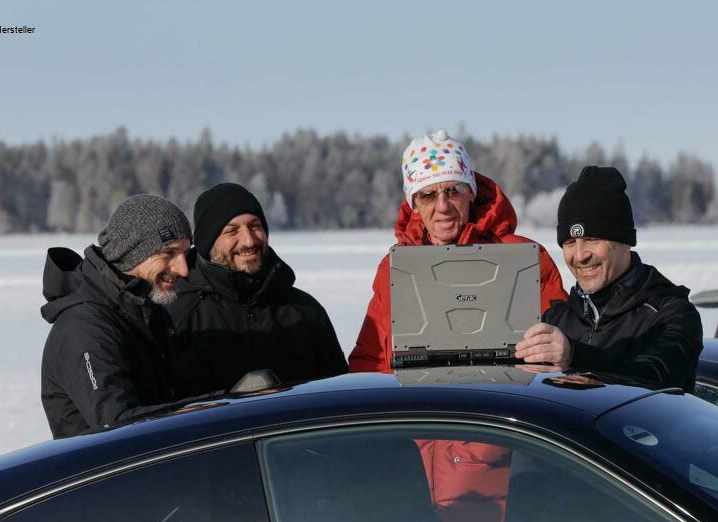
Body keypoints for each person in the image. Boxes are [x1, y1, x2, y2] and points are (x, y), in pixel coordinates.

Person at [349, 129, 567, 372]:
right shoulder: (393, 269)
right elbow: (371, 361)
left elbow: (564, 343)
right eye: (428, 195)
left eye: (454, 190)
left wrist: (563, 352)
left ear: (471, 192)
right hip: (422, 405)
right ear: (415, 205)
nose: (443, 206)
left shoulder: (526, 259)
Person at [515, 166, 703, 392]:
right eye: (569, 243)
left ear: (625, 242)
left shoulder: (671, 314)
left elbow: (657, 377)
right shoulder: (556, 320)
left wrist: (575, 356)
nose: (580, 255)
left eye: (592, 239)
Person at [166, 183, 347, 397]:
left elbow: (337, 396)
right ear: (208, 242)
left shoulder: (305, 311)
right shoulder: (176, 317)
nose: (249, 240)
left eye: (254, 226)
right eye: (232, 230)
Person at [41, 195, 193, 438]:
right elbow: (119, 428)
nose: (183, 268)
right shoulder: (85, 329)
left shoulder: (143, 310)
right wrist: (207, 409)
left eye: (185, 253)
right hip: (111, 474)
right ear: (132, 252)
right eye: (169, 253)